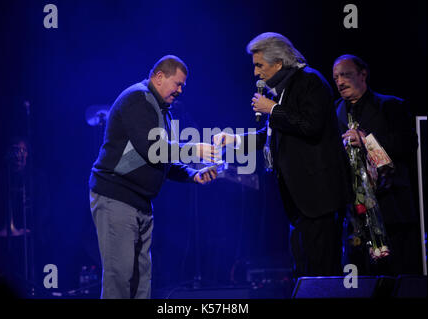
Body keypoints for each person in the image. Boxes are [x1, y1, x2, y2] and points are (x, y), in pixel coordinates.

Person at [214, 33, 351, 279]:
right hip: (300, 202)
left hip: (320, 198)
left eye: (259, 65)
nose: (256, 73)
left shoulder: (310, 81)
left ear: (278, 63)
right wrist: (235, 140)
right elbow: (275, 132)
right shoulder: (284, 89)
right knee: (304, 266)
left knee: (323, 269)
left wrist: (273, 109)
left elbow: (311, 125)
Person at [89, 55, 219, 299]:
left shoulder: (161, 109)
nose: (180, 91)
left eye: (183, 86)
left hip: (140, 203)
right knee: (120, 278)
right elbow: (153, 149)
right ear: (159, 77)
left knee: (141, 280)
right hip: (116, 198)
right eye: (177, 84)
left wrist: (193, 174)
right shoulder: (137, 99)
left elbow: (162, 158)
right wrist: (195, 149)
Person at [333, 54, 422, 275]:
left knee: (395, 273)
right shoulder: (334, 112)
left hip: (390, 207)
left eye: (346, 74)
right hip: (354, 213)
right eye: (335, 77)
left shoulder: (390, 106)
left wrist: (366, 141)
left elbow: (407, 145)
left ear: (363, 75)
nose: (340, 81)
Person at [0, 136, 50, 296]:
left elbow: (44, 209)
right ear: (7, 154)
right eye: (14, 150)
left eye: (22, 150)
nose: (18, 155)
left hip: (29, 241)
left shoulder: (36, 179)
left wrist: (33, 229)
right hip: (0, 241)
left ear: (27, 154)